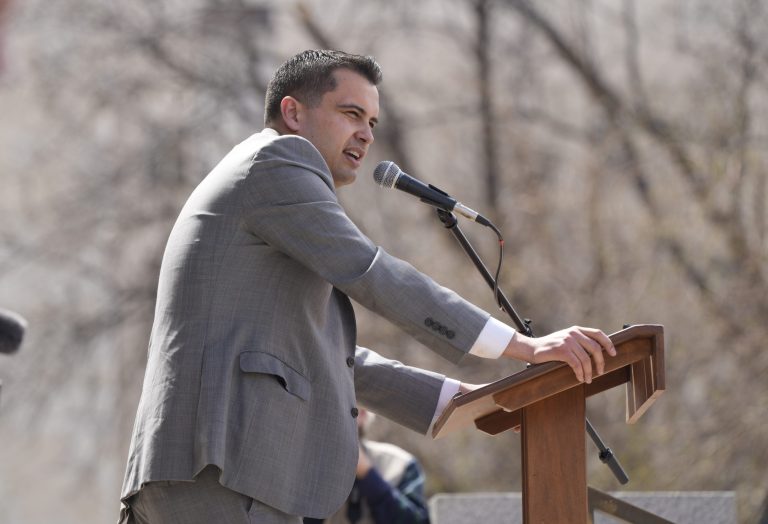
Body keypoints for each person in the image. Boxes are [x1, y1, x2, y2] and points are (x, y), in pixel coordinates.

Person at [118, 49, 615, 524]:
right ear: (292, 112)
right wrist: (523, 346)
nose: (365, 135)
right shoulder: (277, 162)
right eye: (351, 113)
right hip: (221, 465)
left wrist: (465, 401)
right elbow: (374, 272)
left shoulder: (277, 200)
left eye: (372, 123)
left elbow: (335, 354)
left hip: (207, 469)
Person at [303, 407, 430, 524]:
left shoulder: (401, 464)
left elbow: (416, 521)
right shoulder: (304, 461)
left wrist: (368, 474)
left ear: (363, 413)